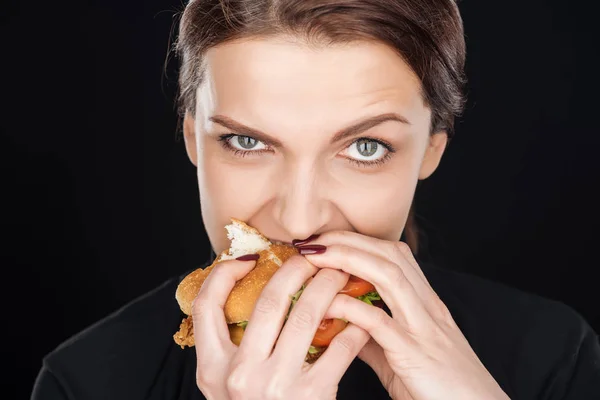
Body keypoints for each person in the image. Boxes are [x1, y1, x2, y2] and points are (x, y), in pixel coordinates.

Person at [31, 0, 600, 399]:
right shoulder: (87, 380)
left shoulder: (552, 355)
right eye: (247, 141)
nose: (299, 218)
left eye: (366, 146)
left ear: (431, 150)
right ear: (193, 142)